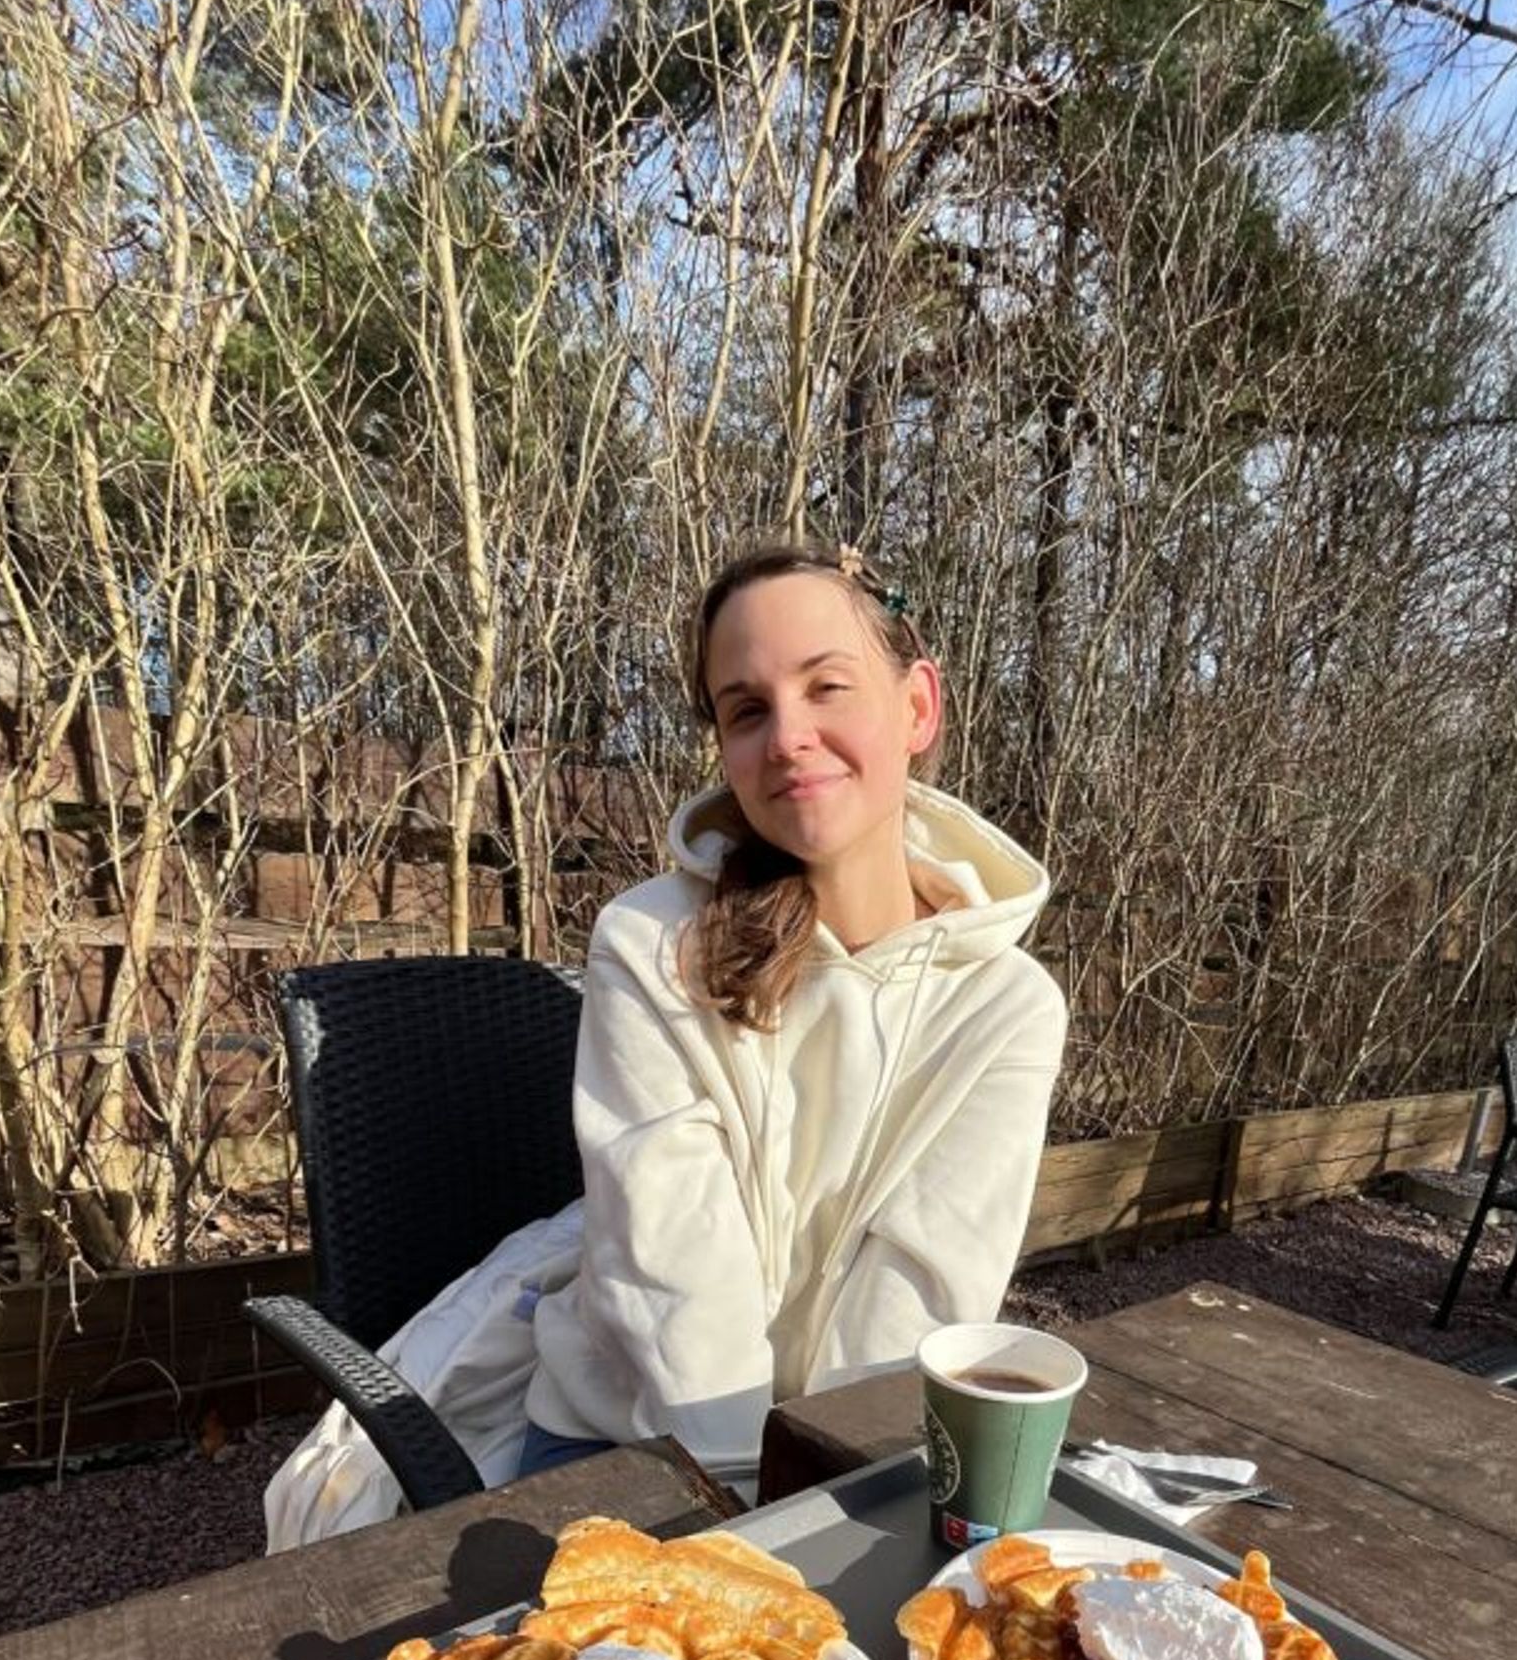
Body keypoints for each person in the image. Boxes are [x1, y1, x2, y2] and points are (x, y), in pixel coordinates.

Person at [264, 539, 1065, 1549]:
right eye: (748, 709)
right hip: (631, 1442)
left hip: (846, 1464)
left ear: (916, 707)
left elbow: (920, 1291)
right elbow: (675, 1273)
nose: (789, 735)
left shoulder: (1010, 1008)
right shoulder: (652, 946)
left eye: (827, 687)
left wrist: (833, 1512)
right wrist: (749, 1530)